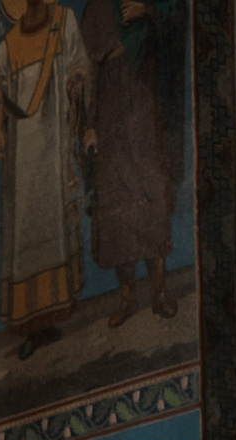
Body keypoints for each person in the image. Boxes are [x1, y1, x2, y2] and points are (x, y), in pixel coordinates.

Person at [0, 0, 87, 359]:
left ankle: (55, 312)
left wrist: (76, 81)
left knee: (53, 225)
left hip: (52, 149)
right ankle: (30, 325)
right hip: (22, 163)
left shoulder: (64, 22)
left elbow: (79, 65)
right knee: (24, 234)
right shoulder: (8, 45)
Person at [79, 0, 187, 327]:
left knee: (149, 186)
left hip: (144, 86)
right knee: (113, 197)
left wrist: (148, 12)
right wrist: (90, 125)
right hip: (109, 101)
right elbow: (87, 71)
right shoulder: (95, 10)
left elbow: (178, 20)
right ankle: (127, 296)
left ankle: (159, 290)